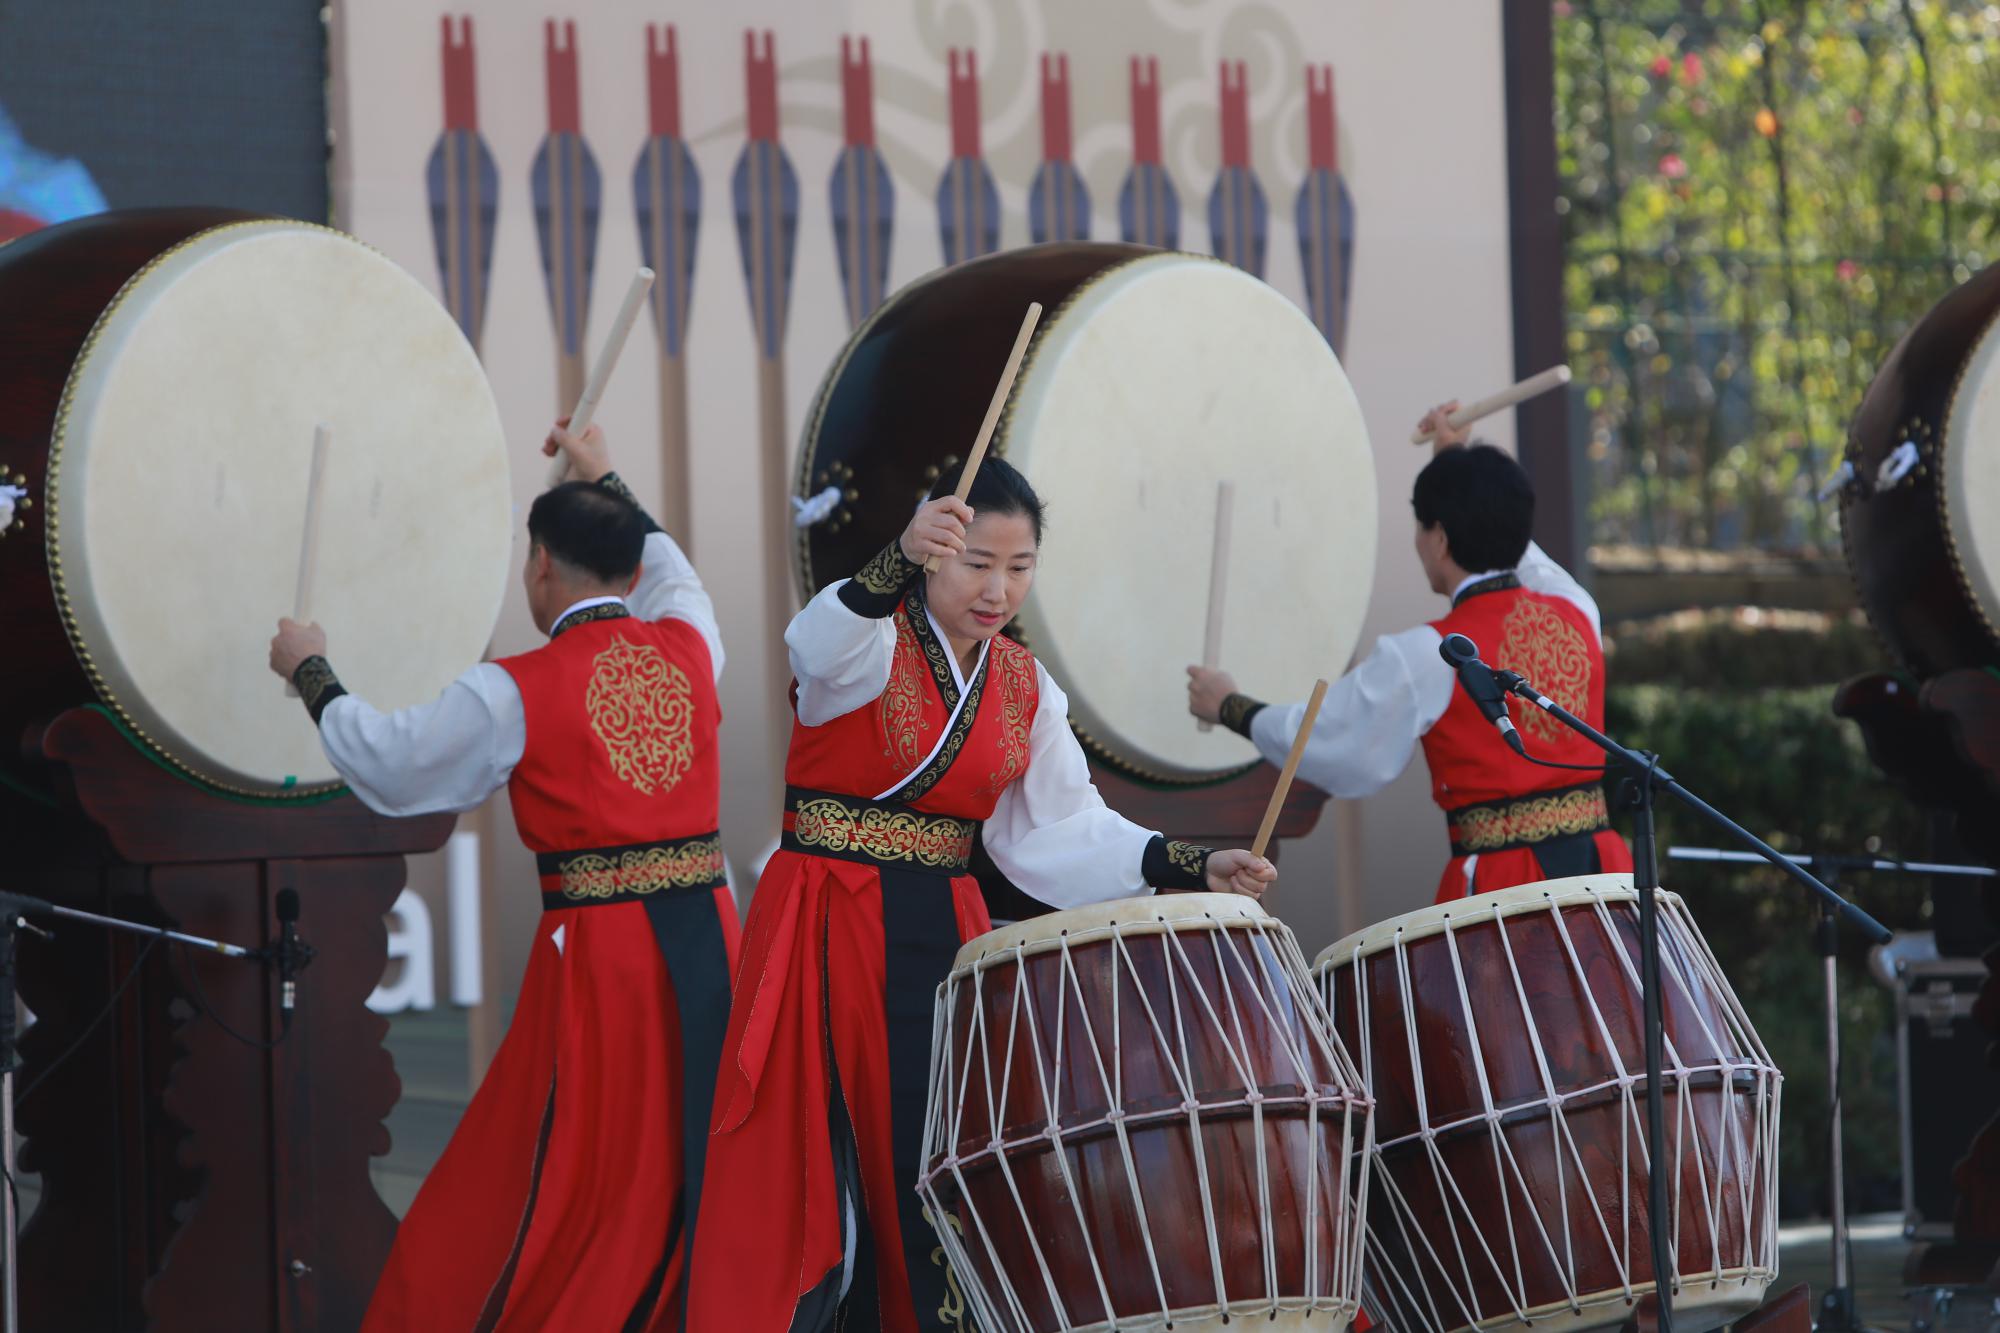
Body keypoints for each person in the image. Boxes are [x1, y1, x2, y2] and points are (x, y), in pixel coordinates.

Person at [687, 458, 1276, 1333]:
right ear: (934, 554)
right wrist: (892, 556)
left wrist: (1190, 864)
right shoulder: (872, 638)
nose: (999, 588)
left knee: (941, 1154)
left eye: (1020, 565)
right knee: (833, 1152)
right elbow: (812, 647)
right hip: (832, 917)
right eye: (977, 563)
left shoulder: (1022, 684)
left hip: (948, 933)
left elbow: (1056, 827)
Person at [267, 421, 735, 1332]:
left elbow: (392, 762)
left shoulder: (517, 688)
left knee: (561, 1164)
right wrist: (610, 478)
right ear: (630, 571)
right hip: (709, 942)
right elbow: (676, 573)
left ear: (540, 570)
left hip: (604, 958)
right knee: (691, 1153)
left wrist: (310, 667)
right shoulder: (691, 643)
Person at [1188, 402, 1633, 903]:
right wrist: (1456, 462)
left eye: (1423, 528)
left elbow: (1327, 738)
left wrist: (1228, 705)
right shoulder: (1577, 609)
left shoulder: (1432, 652)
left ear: (1439, 537)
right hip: (1606, 878)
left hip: (1506, 890)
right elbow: (1518, 550)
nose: (1418, 543)